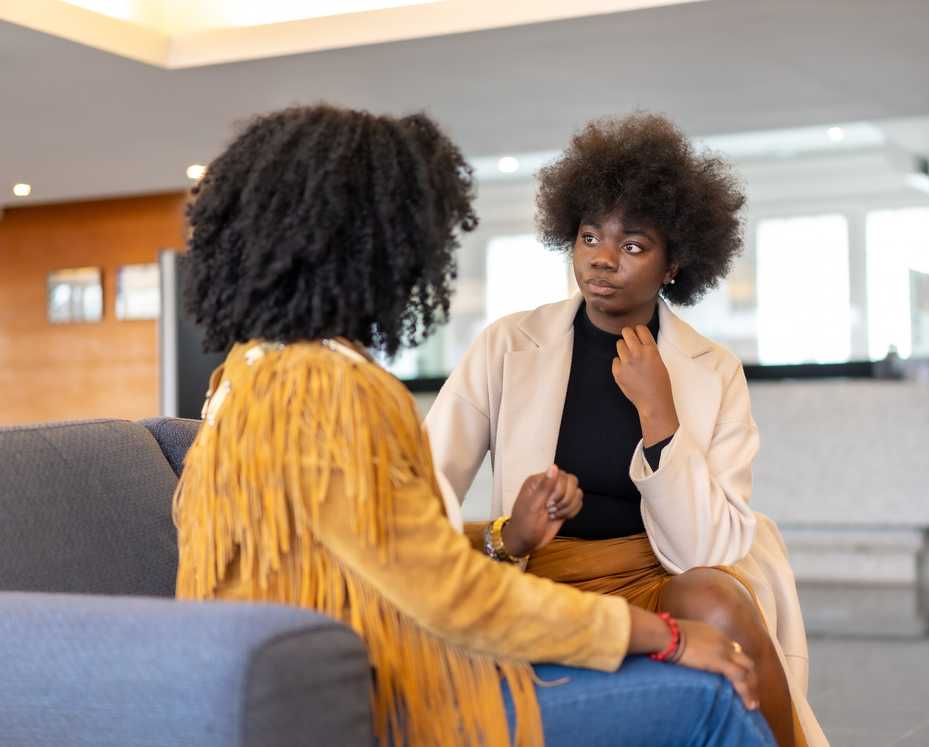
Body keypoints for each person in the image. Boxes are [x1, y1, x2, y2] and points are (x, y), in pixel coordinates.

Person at [173, 104, 776, 747]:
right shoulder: (340, 390)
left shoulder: (243, 375)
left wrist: (503, 538)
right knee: (712, 700)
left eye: (630, 244)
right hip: (374, 693)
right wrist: (668, 637)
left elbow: (388, 541)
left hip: (273, 682)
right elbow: (446, 591)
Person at [426, 114, 827, 747]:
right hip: (539, 577)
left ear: (675, 265)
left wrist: (660, 416)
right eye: (589, 237)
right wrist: (508, 535)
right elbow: (423, 488)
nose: (603, 259)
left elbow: (704, 553)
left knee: (718, 600)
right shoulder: (508, 345)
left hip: (657, 581)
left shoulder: (712, 370)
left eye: (633, 245)